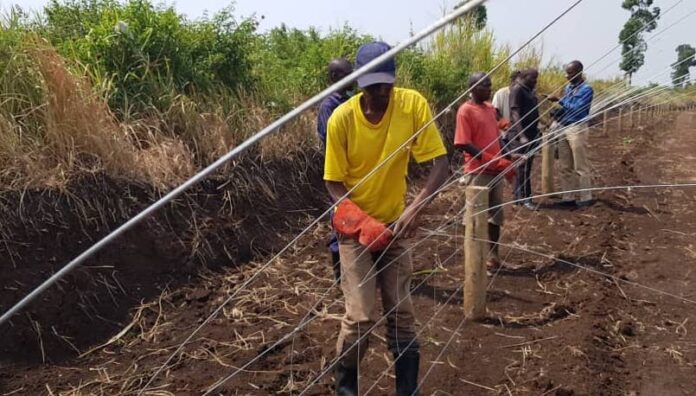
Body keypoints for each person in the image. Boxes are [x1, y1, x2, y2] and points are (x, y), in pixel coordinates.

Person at [324, 41, 448, 396]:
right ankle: (346, 389)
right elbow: (333, 183)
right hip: (355, 233)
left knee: (402, 314)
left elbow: (440, 164)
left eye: (386, 84)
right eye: (372, 85)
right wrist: (361, 223)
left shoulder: (412, 105)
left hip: (396, 226)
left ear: (395, 79)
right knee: (360, 317)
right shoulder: (341, 119)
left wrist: (416, 207)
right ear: (358, 81)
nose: (380, 92)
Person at [455, 72, 521, 271]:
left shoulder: (491, 109)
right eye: (485, 86)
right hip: (478, 172)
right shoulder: (465, 111)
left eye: (490, 86)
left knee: (495, 217)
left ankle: (493, 258)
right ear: (473, 88)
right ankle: (473, 263)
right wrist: (489, 160)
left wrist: (508, 155)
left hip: (495, 171)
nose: (490, 89)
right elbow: (463, 143)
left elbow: (497, 138)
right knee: (474, 218)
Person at [317, 58, 354, 283]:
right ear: (333, 78)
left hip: (356, 170)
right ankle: (340, 275)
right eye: (345, 75)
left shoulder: (351, 100)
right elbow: (328, 140)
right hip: (340, 172)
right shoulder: (329, 105)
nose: (352, 78)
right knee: (341, 216)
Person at [548, 60, 595, 207]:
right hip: (564, 127)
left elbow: (577, 108)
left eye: (570, 73)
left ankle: (586, 197)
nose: (566, 76)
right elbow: (567, 108)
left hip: (577, 128)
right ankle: (568, 197)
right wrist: (557, 111)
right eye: (566, 73)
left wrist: (559, 100)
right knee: (564, 165)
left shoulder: (586, 89)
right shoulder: (569, 87)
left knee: (580, 165)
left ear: (579, 72)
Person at [509, 68, 540, 210]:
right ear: (524, 77)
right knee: (521, 166)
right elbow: (515, 113)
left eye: (536, 78)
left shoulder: (529, 91)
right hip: (520, 136)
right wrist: (521, 136)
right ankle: (522, 198)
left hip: (532, 135)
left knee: (527, 168)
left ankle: (524, 197)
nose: (535, 81)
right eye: (533, 78)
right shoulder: (517, 90)